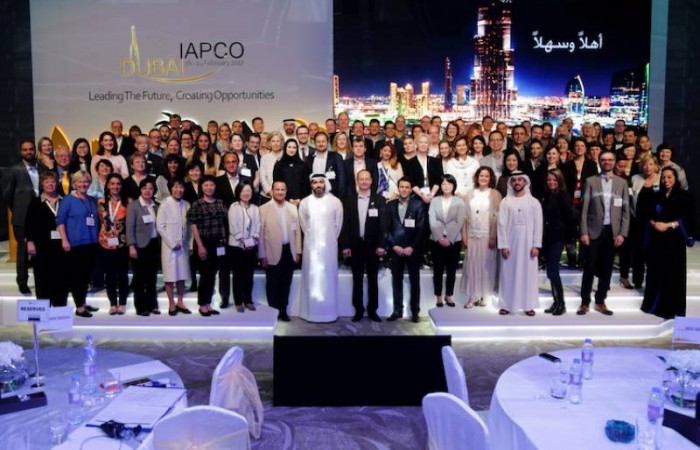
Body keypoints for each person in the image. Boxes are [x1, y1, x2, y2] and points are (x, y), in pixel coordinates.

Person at [578, 150, 630, 316]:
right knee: (589, 268)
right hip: (593, 231)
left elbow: (625, 211)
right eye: (603, 160)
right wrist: (583, 232)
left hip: (612, 232)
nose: (607, 162)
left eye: (610, 159)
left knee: (607, 268)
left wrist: (622, 233)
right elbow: (584, 209)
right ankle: (585, 302)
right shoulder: (590, 181)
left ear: (614, 162)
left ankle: (600, 301)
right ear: (599, 162)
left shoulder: (622, 183)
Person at [641, 167, 696, 319]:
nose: (666, 180)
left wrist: (669, 225)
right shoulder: (655, 195)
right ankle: (654, 305)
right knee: (656, 271)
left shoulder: (685, 196)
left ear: (676, 178)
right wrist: (654, 224)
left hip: (674, 240)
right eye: (664, 177)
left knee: (673, 274)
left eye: (669, 177)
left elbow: (689, 218)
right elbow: (647, 214)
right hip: (657, 240)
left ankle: (671, 308)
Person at [340, 170, 387, 322]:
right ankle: (359, 310)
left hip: (373, 246)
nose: (364, 181)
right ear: (357, 181)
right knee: (357, 279)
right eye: (361, 179)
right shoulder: (349, 200)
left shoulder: (379, 200)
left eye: (367, 179)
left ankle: (373, 310)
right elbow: (345, 224)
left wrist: (382, 245)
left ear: (372, 181)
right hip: (355, 246)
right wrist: (345, 246)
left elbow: (383, 225)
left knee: (373, 279)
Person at [298, 174, 344, 322]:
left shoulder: (335, 202)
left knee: (328, 280)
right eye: (315, 182)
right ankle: (310, 313)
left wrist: (328, 240)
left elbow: (338, 225)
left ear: (325, 184)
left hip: (329, 248)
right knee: (311, 279)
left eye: (320, 182)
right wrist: (313, 240)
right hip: (311, 248)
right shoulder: (305, 202)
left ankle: (329, 313)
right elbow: (303, 225)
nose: (318, 185)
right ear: (311, 185)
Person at [497, 172, 543, 316]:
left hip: (528, 246)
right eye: (514, 180)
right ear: (511, 183)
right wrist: (504, 245)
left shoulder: (533, 202)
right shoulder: (505, 202)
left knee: (528, 275)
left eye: (520, 180)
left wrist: (536, 245)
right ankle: (506, 304)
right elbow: (501, 224)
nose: (517, 182)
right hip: (510, 245)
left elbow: (538, 225)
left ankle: (528, 305)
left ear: (525, 182)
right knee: (508, 274)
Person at [56, 171, 100, 317]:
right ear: (74, 184)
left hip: (91, 243)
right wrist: (64, 239)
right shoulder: (68, 200)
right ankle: (79, 308)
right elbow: (60, 221)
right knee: (77, 277)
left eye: (86, 181)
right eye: (79, 181)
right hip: (75, 244)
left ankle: (83, 301)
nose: (83, 184)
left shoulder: (92, 200)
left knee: (86, 277)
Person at [259, 181, 302, 321]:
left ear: (286, 191)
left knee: (286, 283)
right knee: (272, 284)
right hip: (271, 252)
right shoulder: (263, 209)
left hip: (289, 251)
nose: (280, 192)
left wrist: (298, 251)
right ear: (272, 191)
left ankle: (283, 311)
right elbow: (260, 234)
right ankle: (273, 311)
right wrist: (262, 254)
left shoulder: (292, 208)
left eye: (282, 189)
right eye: (277, 189)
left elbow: (297, 232)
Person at [3, 139, 41, 294]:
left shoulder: (42, 168)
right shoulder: (13, 170)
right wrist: (19, 209)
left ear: (35, 150)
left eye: (31, 149)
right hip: (21, 218)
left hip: (41, 217)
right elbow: (7, 195)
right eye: (25, 150)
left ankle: (41, 281)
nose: (28, 152)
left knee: (41, 250)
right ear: (21, 152)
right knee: (24, 251)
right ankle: (22, 282)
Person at [25, 172, 69, 306]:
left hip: (61, 246)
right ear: (42, 185)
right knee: (42, 279)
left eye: (53, 181)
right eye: (47, 182)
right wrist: (30, 242)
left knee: (61, 279)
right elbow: (29, 223)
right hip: (42, 247)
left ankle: (59, 310)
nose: (50, 184)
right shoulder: (35, 202)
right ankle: (43, 311)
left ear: (57, 184)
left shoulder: (65, 201)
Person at [386, 177, 426, 323]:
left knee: (415, 282)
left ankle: (415, 311)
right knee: (396, 281)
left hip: (412, 250)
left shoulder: (418, 205)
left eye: (407, 187)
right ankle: (397, 310)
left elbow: (421, 229)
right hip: (396, 249)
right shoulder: (390, 205)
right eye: (401, 186)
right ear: (398, 188)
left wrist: (412, 247)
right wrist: (393, 246)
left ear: (411, 190)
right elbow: (386, 228)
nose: (404, 189)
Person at [461, 167, 501, 308]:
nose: (483, 178)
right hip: (472, 234)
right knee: (472, 265)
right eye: (481, 175)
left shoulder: (495, 194)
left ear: (490, 178)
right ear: (477, 177)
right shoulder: (470, 194)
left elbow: (497, 217)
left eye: (486, 176)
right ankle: (473, 295)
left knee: (486, 265)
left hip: (487, 235)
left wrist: (493, 237)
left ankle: (485, 294)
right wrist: (464, 235)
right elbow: (465, 216)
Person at [187, 175, 226, 317]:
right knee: (205, 274)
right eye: (206, 185)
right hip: (203, 242)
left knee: (213, 274)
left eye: (211, 185)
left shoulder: (220, 202)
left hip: (218, 243)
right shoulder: (197, 204)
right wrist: (200, 246)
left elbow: (223, 223)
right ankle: (202, 304)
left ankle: (208, 304)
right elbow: (193, 226)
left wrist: (223, 240)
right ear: (201, 187)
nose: (209, 188)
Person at [541, 169, 576, 316]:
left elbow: (570, 219)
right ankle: (556, 302)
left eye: (554, 180)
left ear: (560, 181)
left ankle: (561, 304)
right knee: (550, 271)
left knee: (552, 271)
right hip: (548, 238)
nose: (551, 182)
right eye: (549, 179)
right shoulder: (548, 195)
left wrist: (570, 239)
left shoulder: (564, 196)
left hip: (558, 238)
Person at [428, 175, 466, 308]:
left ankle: (449, 295)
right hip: (436, 240)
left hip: (454, 240)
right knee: (437, 269)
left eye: (449, 184)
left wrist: (449, 239)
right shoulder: (435, 201)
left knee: (451, 269)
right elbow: (432, 220)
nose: (446, 186)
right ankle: (438, 296)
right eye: (443, 184)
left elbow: (459, 221)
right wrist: (439, 237)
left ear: (453, 186)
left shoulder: (459, 202)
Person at [156, 177, 192, 316]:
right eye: (176, 187)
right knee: (170, 276)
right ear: (171, 189)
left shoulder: (187, 204)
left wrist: (190, 245)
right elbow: (160, 226)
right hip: (169, 247)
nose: (179, 190)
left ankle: (180, 302)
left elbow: (189, 227)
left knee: (182, 274)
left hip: (183, 245)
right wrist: (172, 243)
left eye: (181, 187)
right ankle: (171, 303)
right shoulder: (165, 204)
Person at [126, 178, 161, 317]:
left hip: (154, 244)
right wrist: (131, 246)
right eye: (144, 188)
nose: (147, 191)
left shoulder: (155, 205)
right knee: (140, 278)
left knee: (152, 277)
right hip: (139, 245)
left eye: (150, 188)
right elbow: (129, 228)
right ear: (140, 190)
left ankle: (152, 305)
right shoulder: (134, 206)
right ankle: (141, 307)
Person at [97, 174, 130, 315]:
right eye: (112, 184)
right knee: (109, 275)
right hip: (105, 242)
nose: (115, 186)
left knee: (122, 274)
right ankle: (112, 303)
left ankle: (122, 302)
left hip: (122, 243)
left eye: (118, 184)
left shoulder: (127, 202)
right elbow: (100, 221)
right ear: (108, 186)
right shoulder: (101, 202)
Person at [228, 181, 260, 313]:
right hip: (237, 246)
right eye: (243, 191)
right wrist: (244, 241)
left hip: (251, 247)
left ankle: (248, 300)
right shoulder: (234, 207)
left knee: (249, 275)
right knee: (238, 275)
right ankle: (238, 301)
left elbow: (258, 225)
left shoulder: (255, 208)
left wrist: (253, 240)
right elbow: (233, 226)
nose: (246, 193)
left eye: (248, 191)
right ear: (238, 192)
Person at [304, 132, 346, 197]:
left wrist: (339, 197)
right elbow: (306, 180)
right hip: (313, 197)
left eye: (323, 141)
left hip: (332, 196)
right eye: (318, 142)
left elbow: (341, 179)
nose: (321, 144)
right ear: (314, 143)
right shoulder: (308, 159)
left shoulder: (336, 157)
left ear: (327, 142)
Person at [273, 139, 309, 206]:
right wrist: (288, 199)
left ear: (297, 149)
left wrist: (300, 199)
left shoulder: (302, 165)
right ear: (285, 148)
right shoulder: (278, 165)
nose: (291, 150)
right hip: (283, 201)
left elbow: (306, 185)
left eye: (294, 147)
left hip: (301, 202)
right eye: (289, 147)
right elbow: (276, 185)